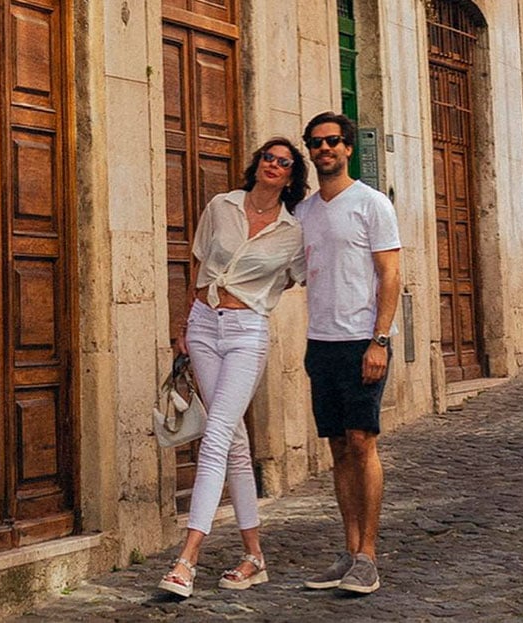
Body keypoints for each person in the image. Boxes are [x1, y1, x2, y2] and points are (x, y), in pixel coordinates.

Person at [157, 137, 309, 598]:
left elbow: (304, 277)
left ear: (290, 178)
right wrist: (184, 324)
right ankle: (253, 556)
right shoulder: (221, 206)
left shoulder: (293, 232)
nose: (273, 165)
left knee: (218, 432)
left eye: (283, 163)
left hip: (247, 332)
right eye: (268, 157)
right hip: (204, 325)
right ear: (258, 163)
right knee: (236, 443)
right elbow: (198, 261)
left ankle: (188, 559)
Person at [295, 111, 401, 595]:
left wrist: (379, 340)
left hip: (363, 341)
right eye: (316, 143)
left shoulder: (372, 204)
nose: (325, 150)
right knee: (338, 447)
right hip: (321, 342)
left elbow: (390, 275)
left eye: (333, 141)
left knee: (363, 442)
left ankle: (370, 556)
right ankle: (350, 549)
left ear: (348, 148)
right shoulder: (305, 212)